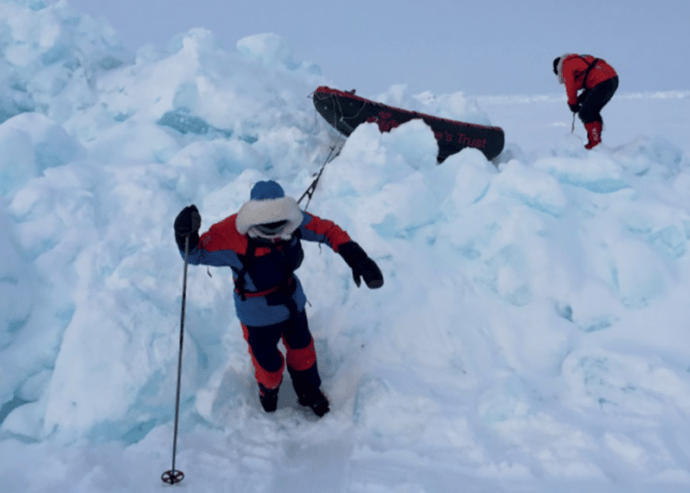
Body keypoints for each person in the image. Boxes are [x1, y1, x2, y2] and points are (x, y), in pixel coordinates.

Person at [173, 180, 383, 417]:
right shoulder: (230, 233)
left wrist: (357, 257)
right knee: (268, 365)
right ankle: (268, 390)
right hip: (256, 315)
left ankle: (309, 392)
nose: (274, 234)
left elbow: (326, 230)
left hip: (293, 303)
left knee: (303, 351)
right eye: (266, 228)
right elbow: (197, 254)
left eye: (280, 227)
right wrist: (184, 235)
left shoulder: (292, 221)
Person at [553, 54, 619, 149]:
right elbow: (590, 77)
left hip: (603, 82)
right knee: (590, 110)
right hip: (612, 80)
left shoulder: (566, 66)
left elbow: (571, 87)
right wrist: (580, 99)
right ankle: (596, 141)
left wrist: (573, 104)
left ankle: (594, 144)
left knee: (586, 113)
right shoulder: (577, 60)